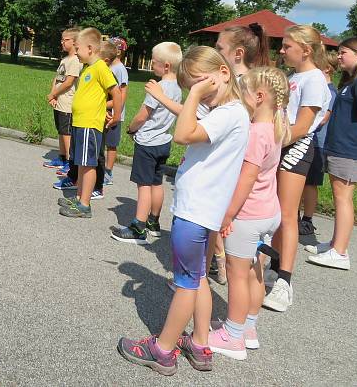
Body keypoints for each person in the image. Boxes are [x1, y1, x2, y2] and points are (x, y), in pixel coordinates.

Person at [117, 46, 249, 375]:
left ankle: (162, 349)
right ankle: (201, 345)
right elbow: (191, 118)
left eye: (202, 86)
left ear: (223, 73)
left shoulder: (227, 113)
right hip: (206, 211)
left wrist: (195, 94)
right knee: (199, 277)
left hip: (195, 213)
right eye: (193, 89)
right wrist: (191, 94)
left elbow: (182, 134)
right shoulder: (228, 110)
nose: (198, 95)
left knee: (186, 283)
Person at [208, 67, 290, 360]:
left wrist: (228, 215)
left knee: (237, 274)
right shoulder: (276, 128)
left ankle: (232, 336)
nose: (239, 98)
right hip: (269, 212)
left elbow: (247, 178)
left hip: (247, 214)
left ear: (259, 96)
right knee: (255, 270)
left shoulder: (256, 133)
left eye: (242, 93)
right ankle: (247, 328)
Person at [263, 25, 330, 312]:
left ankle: (284, 282)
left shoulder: (314, 79)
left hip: (296, 146)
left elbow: (303, 125)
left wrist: (274, 140)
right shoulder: (295, 76)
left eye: (287, 46)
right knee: (277, 213)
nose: (281, 49)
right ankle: (275, 265)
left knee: (288, 215)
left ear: (306, 49)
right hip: (282, 144)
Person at [306, 37, 357, 269]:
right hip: (341, 148)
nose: (339, 56)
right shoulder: (351, 81)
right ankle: (335, 244)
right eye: (338, 53)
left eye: (343, 53)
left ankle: (339, 253)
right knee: (341, 197)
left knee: (343, 198)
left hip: (351, 150)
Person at [206, 23, 271, 284]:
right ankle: (217, 264)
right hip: (227, 162)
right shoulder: (237, 82)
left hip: (232, 165)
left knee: (218, 219)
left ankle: (212, 268)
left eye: (220, 47)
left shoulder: (245, 86)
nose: (215, 50)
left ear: (237, 54)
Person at [111, 42, 181, 243]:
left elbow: (143, 115)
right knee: (156, 183)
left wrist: (132, 128)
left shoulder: (158, 88)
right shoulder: (177, 89)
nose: (151, 64)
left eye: (154, 62)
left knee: (143, 185)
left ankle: (138, 227)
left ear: (166, 66)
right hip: (163, 141)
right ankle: (154, 221)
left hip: (147, 142)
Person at [58, 28, 121, 218]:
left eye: (78, 48)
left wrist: (116, 115)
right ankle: (79, 198)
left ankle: (84, 205)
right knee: (81, 163)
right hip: (79, 123)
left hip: (89, 124)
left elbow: (116, 91)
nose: (75, 52)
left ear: (90, 48)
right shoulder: (87, 68)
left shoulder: (101, 67)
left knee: (89, 164)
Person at [299, 52, 338, 235]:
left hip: (318, 144)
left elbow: (322, 119)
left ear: (327, 69)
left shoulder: (329, 90)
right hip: (309, 141)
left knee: (310, 183)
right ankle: (298, 215)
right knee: (301, 182)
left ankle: (307, 219)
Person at [45, 28, 82, 173]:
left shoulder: (75, 60)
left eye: (65, 40)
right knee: (61, 130)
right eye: (62, 39)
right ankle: (61, 157)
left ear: (74, 42)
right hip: (58, 100)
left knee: (67, 133)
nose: (62, 42)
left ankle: (69, 161)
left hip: (67, 102)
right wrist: (52, 94)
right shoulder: (65, 59)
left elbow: (68, 82)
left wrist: (54, 93)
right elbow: (58, 78)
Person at [103, 38, 130, 186]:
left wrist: (115, 111)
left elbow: (122, 93)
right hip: (104, 110)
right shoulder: (107, 67)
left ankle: (108, 172)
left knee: (111, 144)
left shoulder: (120, 69)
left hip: (114, 113)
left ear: (118, 51)